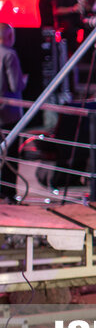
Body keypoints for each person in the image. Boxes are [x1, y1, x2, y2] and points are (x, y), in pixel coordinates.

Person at [0, 24, 26, 202]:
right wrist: (24, 81)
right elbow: (15, 84)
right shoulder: (9, 54)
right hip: (9, 114)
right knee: (10, 156)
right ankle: (8, 193)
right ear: (9, 36)